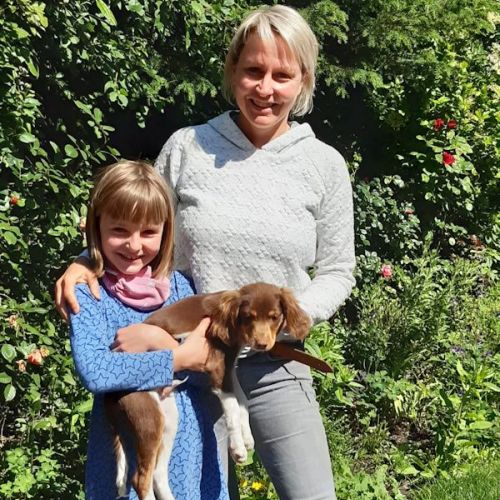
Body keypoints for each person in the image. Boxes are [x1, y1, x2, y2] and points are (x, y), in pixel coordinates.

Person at [56, 5, 355, 499]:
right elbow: (141, 227)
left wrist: (289, 316)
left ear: (303, 80)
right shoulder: (188, 147)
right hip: (190, 362)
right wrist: (85, 261)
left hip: (275, 364)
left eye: (282, 75)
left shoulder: (324, 165)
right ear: (233, 70)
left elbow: (339, 269)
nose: (265, 88)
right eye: (253, 70)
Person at [68, 160, 228, 500]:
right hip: (126, 446)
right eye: (120, 230)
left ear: (166, 232)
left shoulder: (181, 288)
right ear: (97, 227)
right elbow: (96, 371)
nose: (134, 245)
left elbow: (209, 371)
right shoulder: (89, 293)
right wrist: (177, 359)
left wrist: (160, 342)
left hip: (187, 448)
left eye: (148, 232)